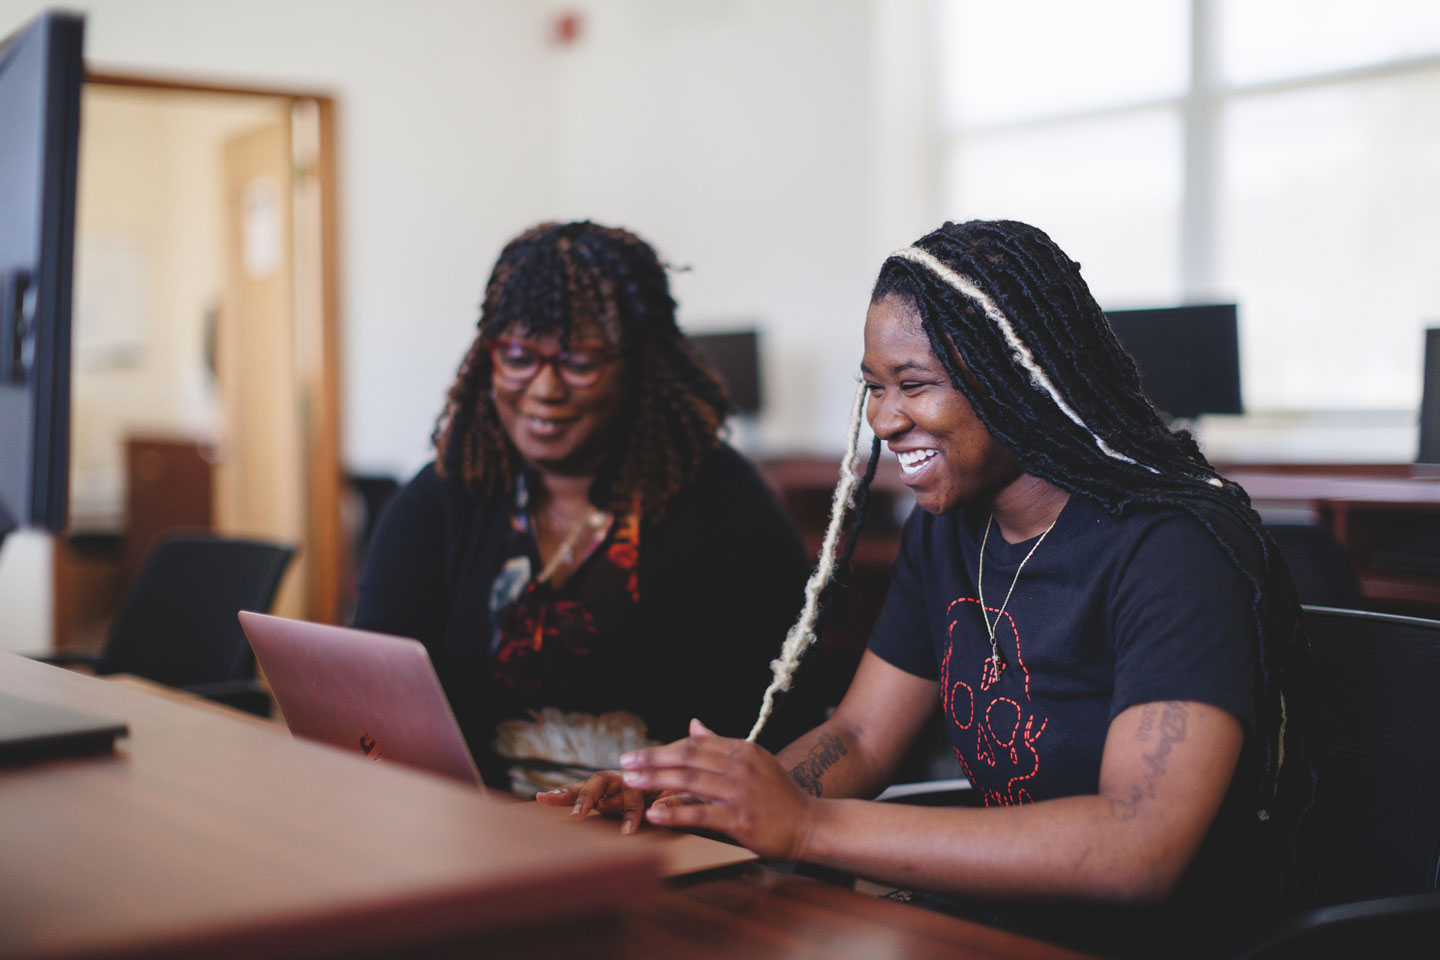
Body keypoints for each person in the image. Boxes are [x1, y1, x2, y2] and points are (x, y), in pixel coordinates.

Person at [541, 220, 1313, 957]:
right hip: (987, 928)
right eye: (872, 387)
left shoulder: (1174, 550)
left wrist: (807, 826)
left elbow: (1136, 848)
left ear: (1018, 381)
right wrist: (708, 799)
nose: (882, 419)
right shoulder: (947, 531)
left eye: (912, 384)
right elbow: (863, 737)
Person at [354, 220, 818, 797]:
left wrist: (685, 793)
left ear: (638, 367)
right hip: (472, 830)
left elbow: (794, 711)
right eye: (519, 356)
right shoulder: (443, 498)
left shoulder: (723, 501)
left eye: (579, 362)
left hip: (673, 832)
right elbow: (367, 690)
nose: (544, 389)